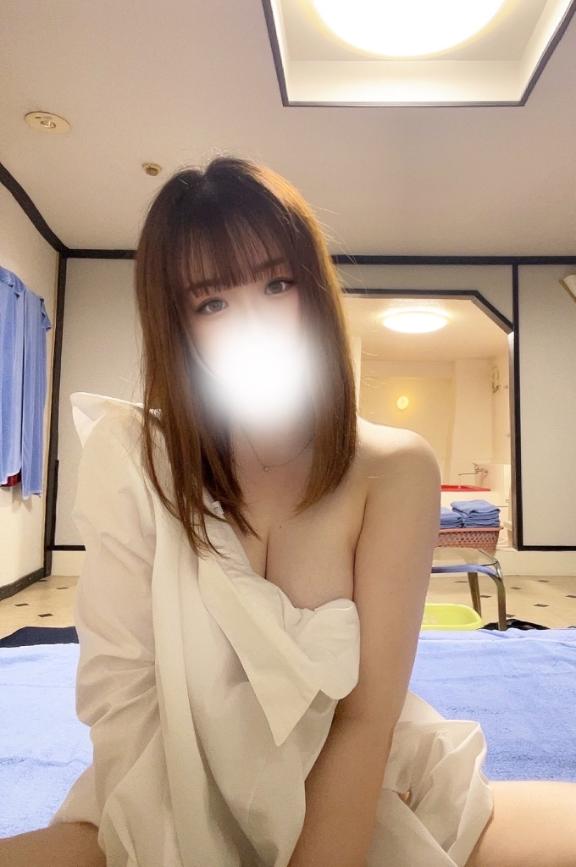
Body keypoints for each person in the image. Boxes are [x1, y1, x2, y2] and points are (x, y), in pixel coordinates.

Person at [2, 156, 576, 867]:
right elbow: (124, 696)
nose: (255, 323)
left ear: (314, 290)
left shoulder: (396, 467)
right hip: (161, 793)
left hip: (364, 791)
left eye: (277, 284)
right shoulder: (134, 459)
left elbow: (365, 718)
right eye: (211, 303)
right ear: (179, 324)